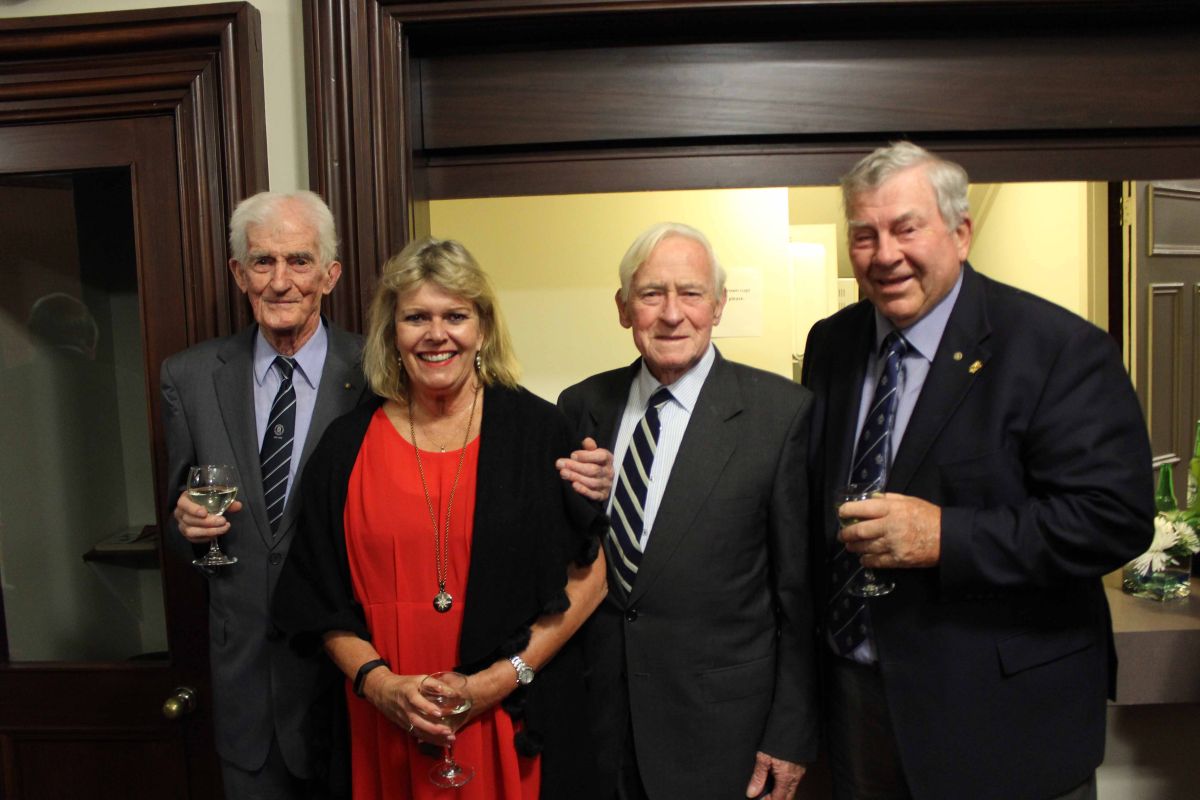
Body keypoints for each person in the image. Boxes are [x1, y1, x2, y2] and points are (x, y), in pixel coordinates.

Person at [801, 141, 1155, 800]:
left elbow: (1115, 518)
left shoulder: (1058, 350)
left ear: (961, 233)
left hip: (1001, 724)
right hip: (857, 711)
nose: (885, 254)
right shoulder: (833, 343)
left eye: (907, 228)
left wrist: (947, 537)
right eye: (864, 234)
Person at [272, 237, 608, 800]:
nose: (436, 334)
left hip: (508, 722)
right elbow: (315, 596)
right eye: (416, 317)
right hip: (381, 727)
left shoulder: (540, 433)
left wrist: (495, 683)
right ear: (391, 331)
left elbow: (591, 578)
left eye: (456, 315)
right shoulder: (344, 446)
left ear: (482, 327)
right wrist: (379, 686)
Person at [556, 222, 817, 800]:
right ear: (624, 308)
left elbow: (798, 596)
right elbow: (571, 559)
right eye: (651, 294)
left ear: (719, 306)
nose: (672, 313)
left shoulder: (780, 415)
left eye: (691, 293)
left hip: (723, 736)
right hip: (598, 725)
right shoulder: (580, 406)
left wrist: (792, 732)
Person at [161, 190, 369, 798]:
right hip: (246, 691)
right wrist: (186, 529)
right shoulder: (190, 376)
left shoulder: (379, 372)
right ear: (238, 272)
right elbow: (181, 523)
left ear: (330, 274)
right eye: (262, 262)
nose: (281, 281)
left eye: (299, 261)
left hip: (350, 684)